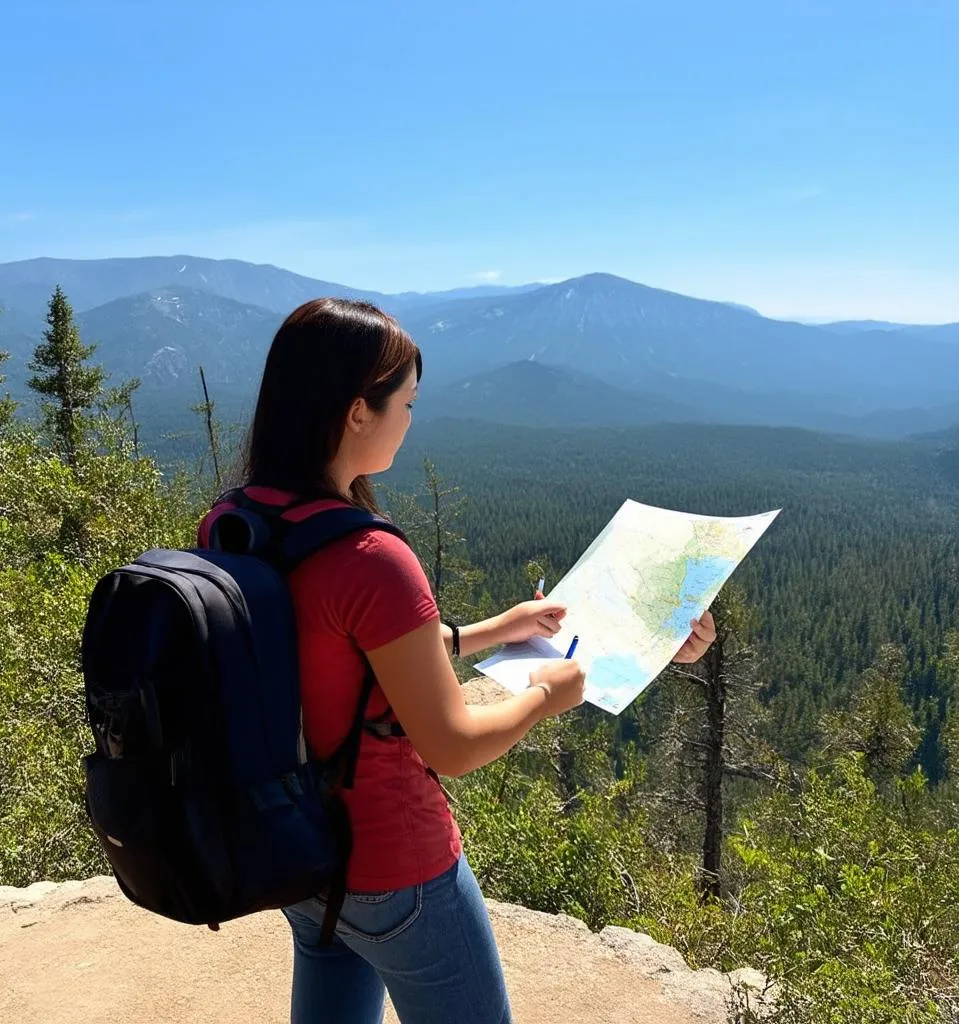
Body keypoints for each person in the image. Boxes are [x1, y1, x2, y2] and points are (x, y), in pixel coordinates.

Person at [196, 297, 716, 1024]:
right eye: (406, 402)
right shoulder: (370, 558)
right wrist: (545, 694)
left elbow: (334, 658)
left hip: (299, 850)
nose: (411, 418)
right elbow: (452, 744)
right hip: (396, 867)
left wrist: (497, 628)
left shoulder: (237, 522)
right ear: (355, 411)